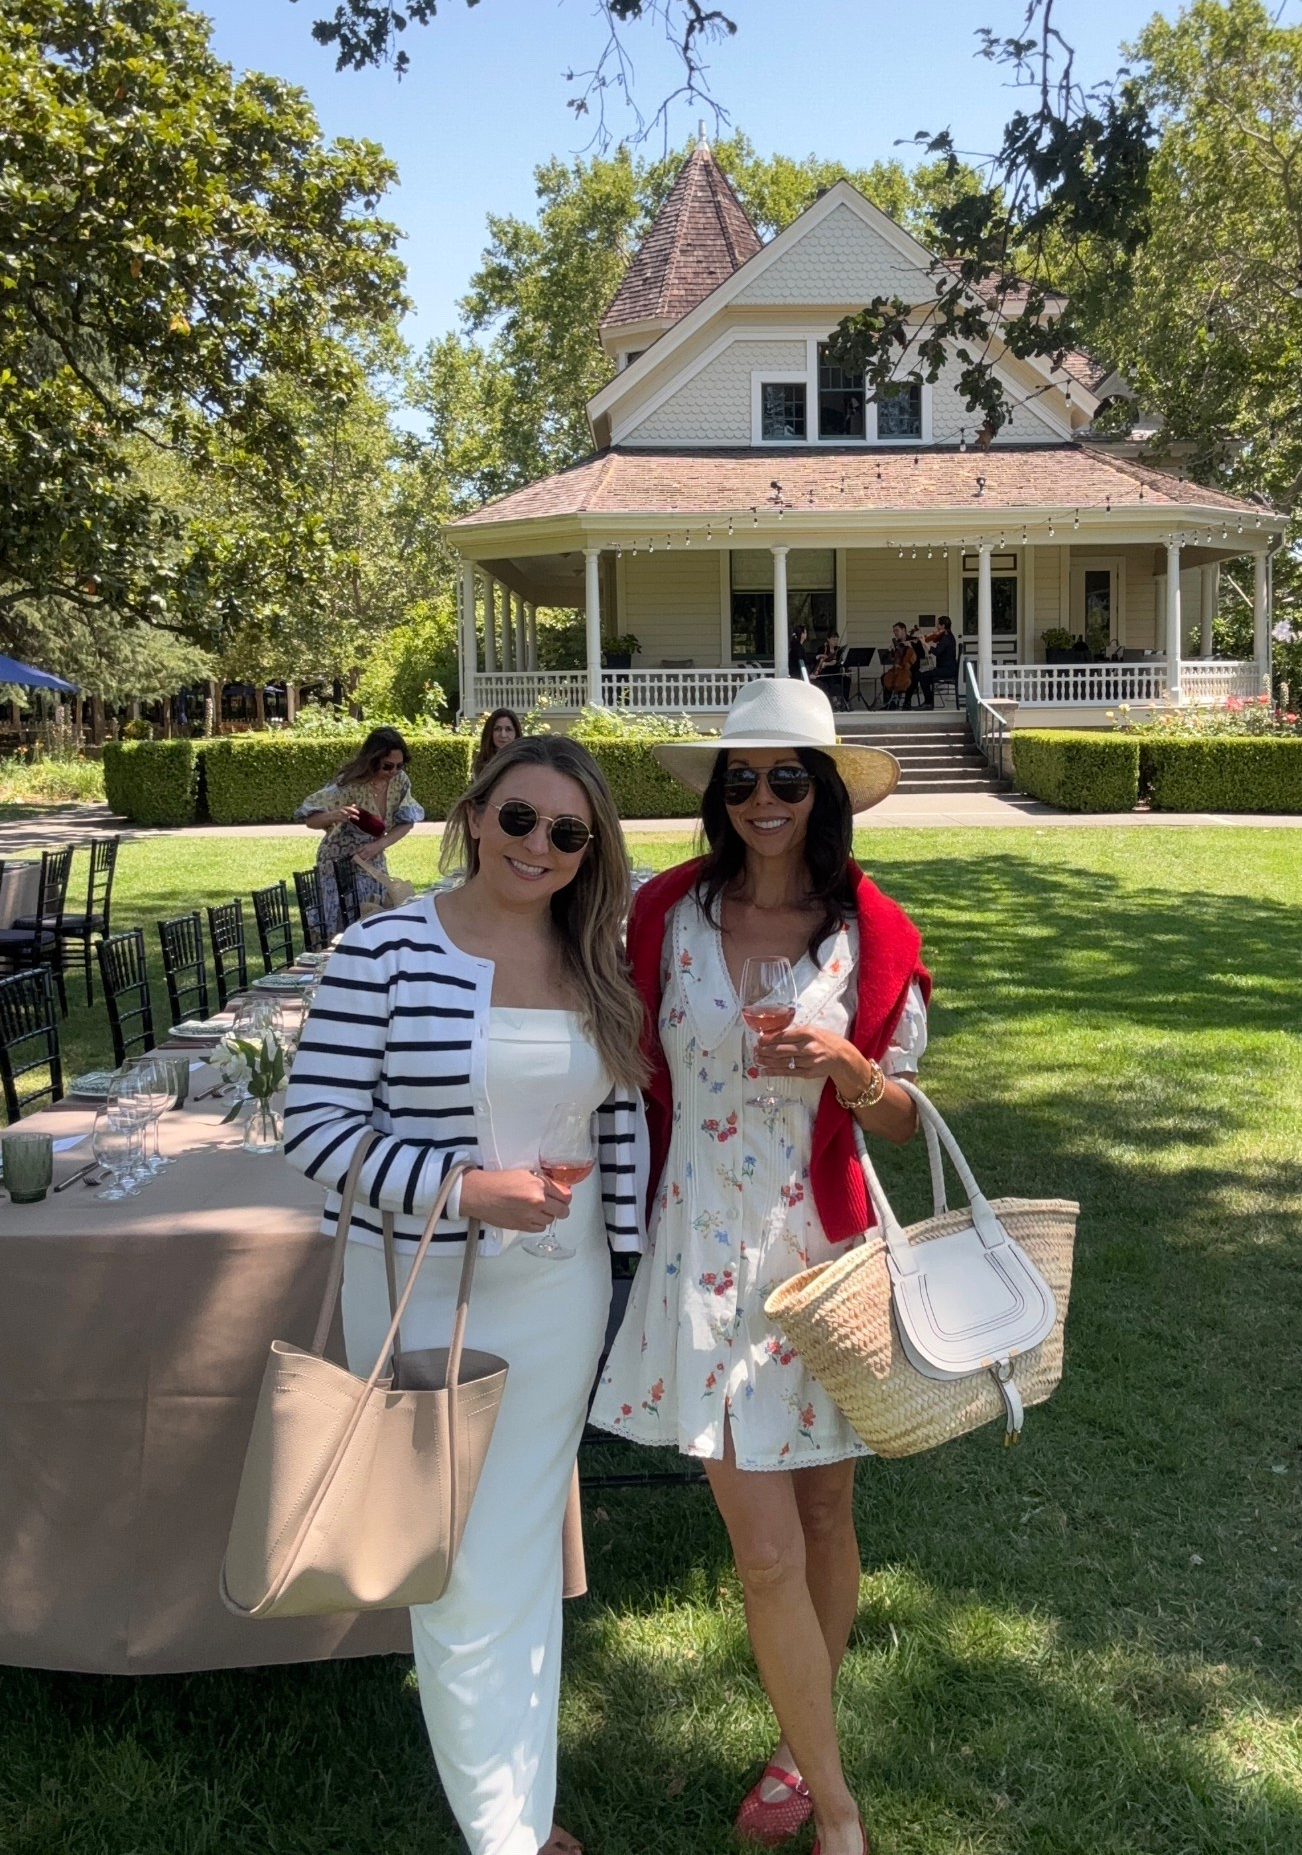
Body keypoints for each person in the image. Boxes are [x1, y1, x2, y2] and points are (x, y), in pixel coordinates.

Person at [284, 736, 646, 1855]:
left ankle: (521, 1809)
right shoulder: (387, 948)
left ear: (590, 853)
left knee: (523, 1545)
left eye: (568, 832)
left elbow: (616, 1120)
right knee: (463, 1566)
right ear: (477, 814)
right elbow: (316, 1130)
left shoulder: (596, 959)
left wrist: (627, 1259)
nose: (539, 845)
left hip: (563, 1292)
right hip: (428, 1285)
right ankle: (505, 1832)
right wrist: (461, 1187)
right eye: (521, 818)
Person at [593, 678, 929, 1855]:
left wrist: (848, 1061)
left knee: (830, 1506)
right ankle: (839, 1811)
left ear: (825, 792)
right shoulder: (664, 914)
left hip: (824, 1254)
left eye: (788, 777)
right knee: (766, 1543)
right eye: (741, 778)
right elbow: (608, 1044)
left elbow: (901, 1120)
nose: (762, 799)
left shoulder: (871, 931)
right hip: (701, 1254)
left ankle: (799, 1747)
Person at [296, 725, 424, 933]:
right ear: (372, 762)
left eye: (399, 766)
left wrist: (379, 845)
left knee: (375, 920)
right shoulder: (350, 784)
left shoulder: (400, 782)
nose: (393, 772)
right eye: (387, 766)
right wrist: (337, 815)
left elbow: (407, 822)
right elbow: (311, 819)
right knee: (342, 928)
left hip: (373, 860)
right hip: (339, 863)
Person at [921, 615, 959, 708]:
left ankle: (928, 702)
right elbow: (939, 647)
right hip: (945, 668)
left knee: (923, 676)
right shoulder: (947, 636)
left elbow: (937, 652)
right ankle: (929, 701)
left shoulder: (946, 639)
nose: (936, 627)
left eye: (938, 624)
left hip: (947, 669)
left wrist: (925, 643)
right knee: (927, 676)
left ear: (943, 626)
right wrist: (931, 638)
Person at [474, 706, 524, 776]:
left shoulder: (524, 762)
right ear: (490, 732)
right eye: (497, 729)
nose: (503, 735)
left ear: (516, 733)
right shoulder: (481, 762)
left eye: (508, 729)